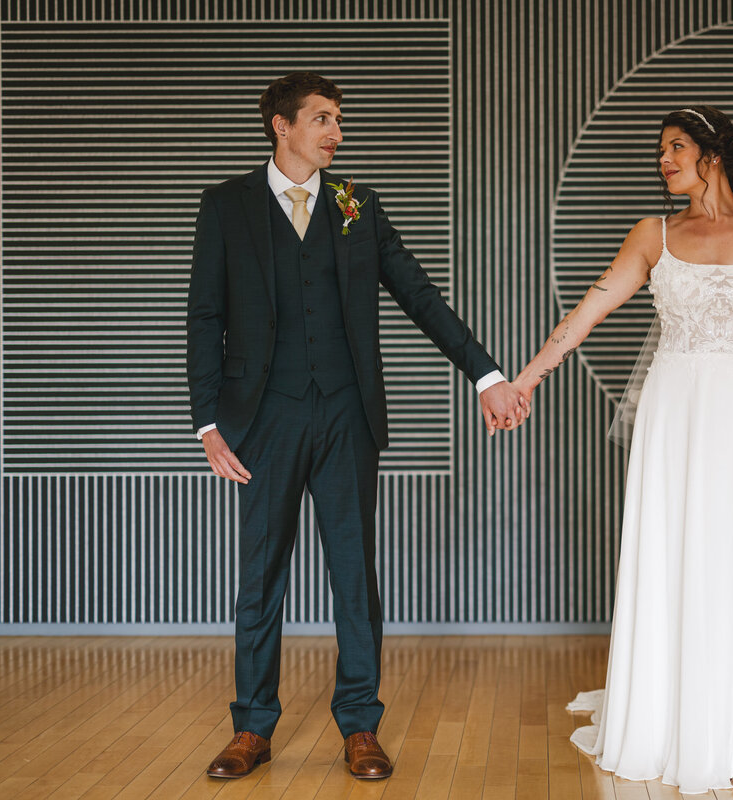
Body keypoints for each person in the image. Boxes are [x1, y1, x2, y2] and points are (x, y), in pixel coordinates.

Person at [186, 72, 528, 781]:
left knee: (354, 578)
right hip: (264, 418)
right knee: (261, 578)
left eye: (338, 120)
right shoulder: (226, 206)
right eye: (322, 120)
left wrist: (487, 375)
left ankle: (361, 726)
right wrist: (208, 424)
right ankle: (251, 729)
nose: (336, 133)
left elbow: (420, 296)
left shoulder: (356, 205)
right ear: (282, 127)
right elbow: (204, 318)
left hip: (347, 413)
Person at [513, 106, 733, 793]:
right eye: (660, 150)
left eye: (676, 147)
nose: (663, 160)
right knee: (680, 549)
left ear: (713, 156)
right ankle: (670, 722)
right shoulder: (652, 234)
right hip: (677, 416)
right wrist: (527, 377)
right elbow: (589, 310)